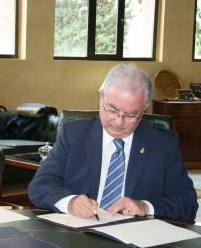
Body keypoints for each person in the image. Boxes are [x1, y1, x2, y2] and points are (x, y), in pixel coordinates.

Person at [28, 64, 198, 221]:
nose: (118, 121)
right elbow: (40, 185)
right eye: (112, 109)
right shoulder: (73, 134)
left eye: (131, 114)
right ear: (101, 97)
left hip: (136, 235)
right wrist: (71, 203)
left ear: (144, 109)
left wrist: (145, 206)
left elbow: (187, 203)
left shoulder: (163, 144)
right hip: (81, 233)